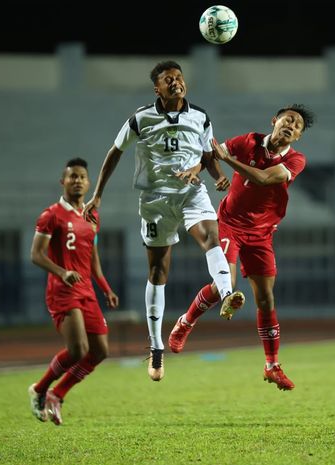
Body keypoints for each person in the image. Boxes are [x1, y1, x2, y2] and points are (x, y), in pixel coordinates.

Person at [84, 60, 243, 382]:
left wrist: (219, 176)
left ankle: (227, 293)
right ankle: (156, 346)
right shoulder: (141, 118)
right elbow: (114, 152)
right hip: (155, 201)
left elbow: (208, 154)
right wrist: (98, 194)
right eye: (168, 79)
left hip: (191, 193)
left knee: (211, 237)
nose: (176, 83)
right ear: (157, 88)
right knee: (158, 270)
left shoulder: (200, 116)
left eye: (179, 78)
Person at [168, 104, 315, 391]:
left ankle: (271, 365)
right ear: (274, 120)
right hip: (229, 225)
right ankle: (185, 322)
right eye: (288, 120)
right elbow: (212, 153)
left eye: (297, 126)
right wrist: (198, 168)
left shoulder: (296, 160)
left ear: (298, 137)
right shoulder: (247, 141)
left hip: (262, 235)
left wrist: (227, 161)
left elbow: (264, 178)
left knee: (266, 300)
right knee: (225, 282)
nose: (291, 126)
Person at [28, 158, 119, 426]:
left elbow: (93, 260)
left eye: (82, 177)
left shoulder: (91, 216)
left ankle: (58, 393)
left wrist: (106, 288)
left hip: (86, 290)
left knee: (100, 351)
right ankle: (40, 389)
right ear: (63, 181)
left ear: (88, 183)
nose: (77, 180)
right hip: (62, 290)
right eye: (72, 176)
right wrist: (61, 272)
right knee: (78, 349)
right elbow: (36, 254)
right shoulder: (51, 215)